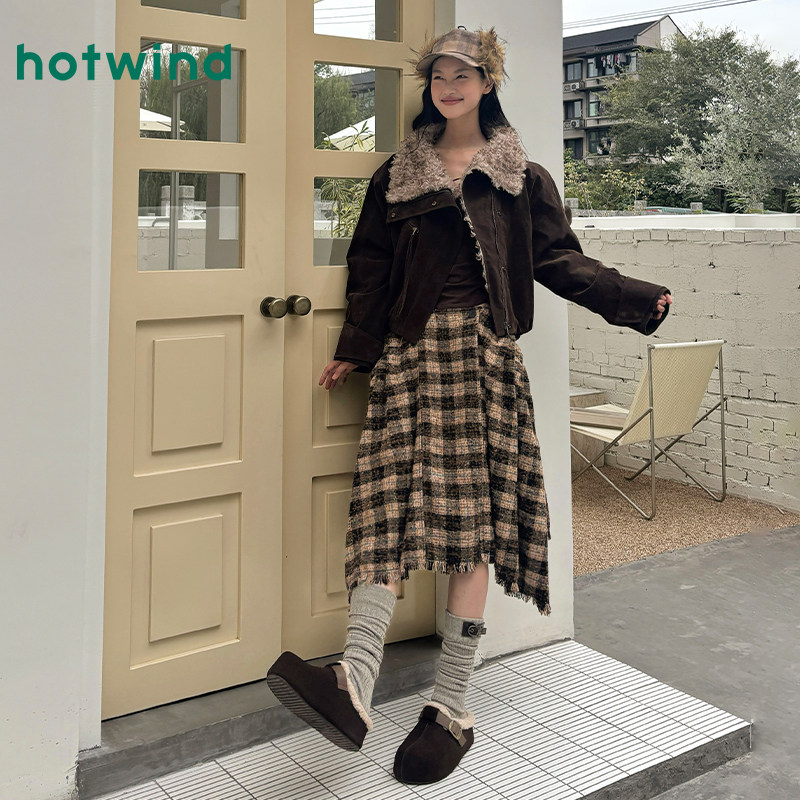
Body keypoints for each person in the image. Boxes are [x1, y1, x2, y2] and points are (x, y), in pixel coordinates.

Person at [268, 26, 672, 785]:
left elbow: (558, 260)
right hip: (408, 358)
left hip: (484, 360)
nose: (449, 85)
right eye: (439, 75)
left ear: (488, 83)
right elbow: (370, 265)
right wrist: (358, 345)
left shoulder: (521, 178)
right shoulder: (399, 174)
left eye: (464, 73)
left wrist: (633, 298)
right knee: (384, 514)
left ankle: (452, 706)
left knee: (470, 532)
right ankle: (353, 682)